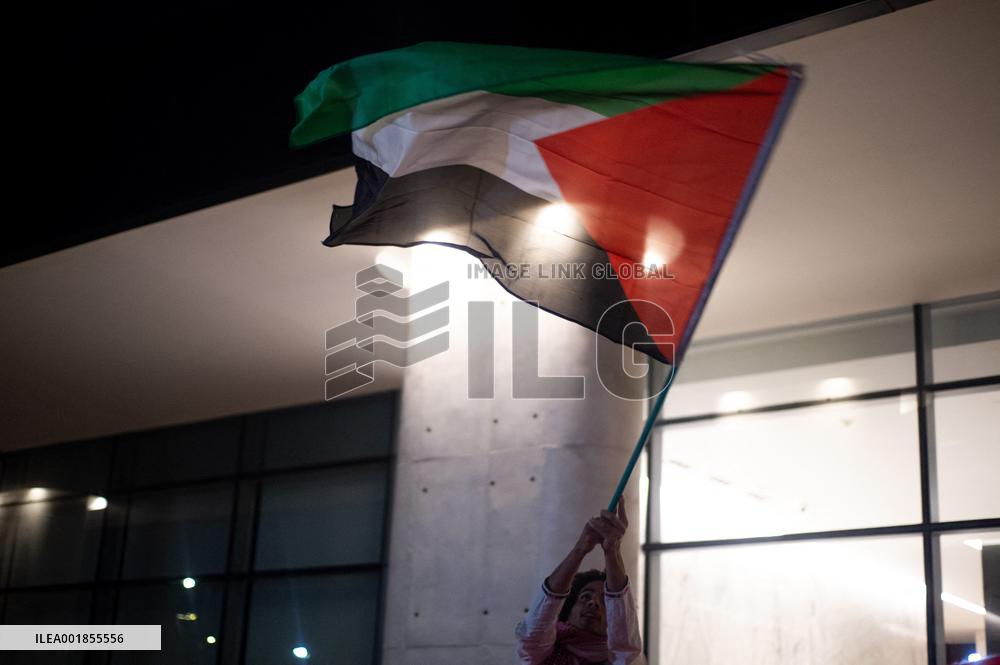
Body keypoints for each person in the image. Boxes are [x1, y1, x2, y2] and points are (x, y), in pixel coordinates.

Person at [515, 501, 645, 664]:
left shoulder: (624, 661)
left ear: (611, 622)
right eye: (585, 596)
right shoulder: (540, 655)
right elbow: (535, 631)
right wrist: (580, 549)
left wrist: (613, 551)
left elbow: (625, 649)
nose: (593, 603)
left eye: (605, 601)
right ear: (566, 612)